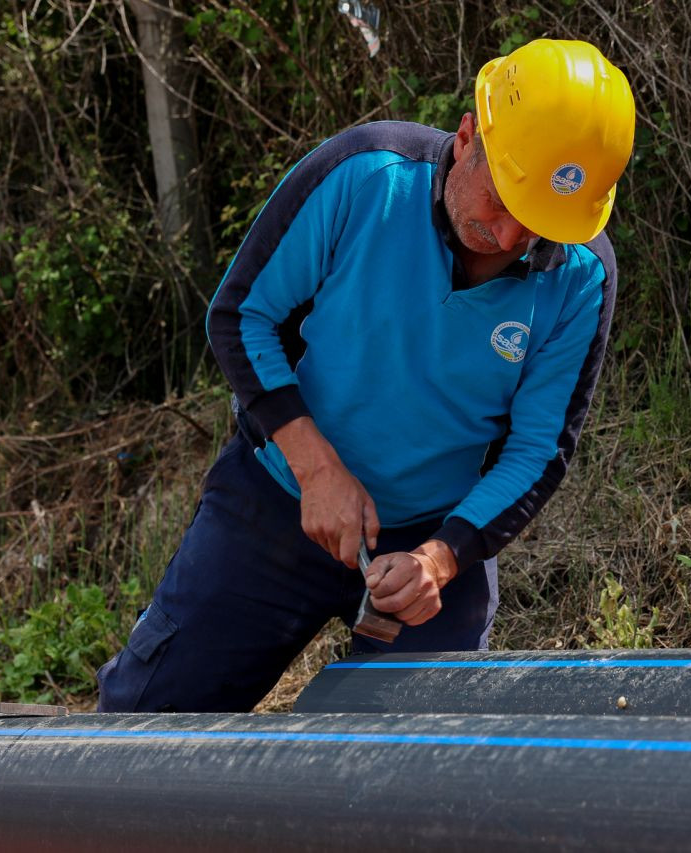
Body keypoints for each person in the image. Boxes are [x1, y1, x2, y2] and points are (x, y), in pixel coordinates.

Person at [96, 38, 635, 712]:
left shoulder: (582, 276)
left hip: (431, 539)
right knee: (146, 722)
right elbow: (240, 315)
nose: (506, 239)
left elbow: (537, 450)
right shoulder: (364, 176)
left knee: (412, 759)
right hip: (276, 500)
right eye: (500, 202)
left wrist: (439, 559)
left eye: (535, 227)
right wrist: (316, 468)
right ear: (469, 136)